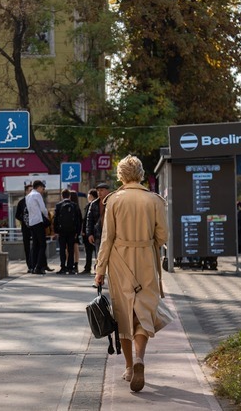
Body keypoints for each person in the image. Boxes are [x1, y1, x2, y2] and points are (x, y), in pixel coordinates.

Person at [94, 155, 171, 393]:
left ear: (121, 175)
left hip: (119, 262)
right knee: (144, 312)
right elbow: (163, 237)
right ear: (140, 173)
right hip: (146, 258)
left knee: (124, 313)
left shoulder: (113, 200)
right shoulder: (155, 200)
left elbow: (107, 239)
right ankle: (139, 357)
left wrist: (99, 271)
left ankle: (128, 367)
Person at [26, 180, 50, 274]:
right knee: (42, 244)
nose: (43, 190)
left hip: (32, 222)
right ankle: (39, 267)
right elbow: (43, 208)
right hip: (38, 222)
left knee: (35, 245)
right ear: (39, 187)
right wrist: (47, 216)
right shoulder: (37, 195)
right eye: (42, 188)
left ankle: (33, 266)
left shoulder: (28, 196)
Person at [53, 189, 80, 274]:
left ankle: (63, 267)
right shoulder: (74, 205)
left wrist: (56, 231)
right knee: (70, 249)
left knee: (62, 249)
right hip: (72, 231)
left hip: (61, 231)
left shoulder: (58, 205)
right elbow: (78, 220)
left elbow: (55, 219)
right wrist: (77, 232)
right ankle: (70, 268)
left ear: (62, 196)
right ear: (69, 196)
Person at [86, 182, 111, 254]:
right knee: (99, 255)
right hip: (97, 234)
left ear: (107, 191)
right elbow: (89, 219)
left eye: (101, 190)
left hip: (109, 233)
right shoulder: (94, 204)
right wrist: (89, 234)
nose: (99, 192)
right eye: (98, 191)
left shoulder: (111, 202)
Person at [15, 184, 33, 268]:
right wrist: (24, 219)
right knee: (27, 247)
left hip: (34, 227)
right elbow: (17, 215)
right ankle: (29, 265)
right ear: (26, 191)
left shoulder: (35, 201)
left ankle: (35, 263)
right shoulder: (22, 202)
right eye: (30, 190)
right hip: (25, 227)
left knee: (36, 245)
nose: (31, 192)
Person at [81, 189, 98, 274]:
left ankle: (88, 268)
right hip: (96, 232)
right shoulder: (99, 204)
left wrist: (85, 231)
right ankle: (96, 268)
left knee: (89, 251)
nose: (88, 197)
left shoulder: (90, 205)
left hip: (90, 232)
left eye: (88, 195)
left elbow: (86, 220)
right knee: (96, 252)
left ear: (91, 196)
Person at [68, 191, 84, 273]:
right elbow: (80, 220)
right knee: (75, 247)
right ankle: (76, 264)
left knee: (71, 248)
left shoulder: (73, 207)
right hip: (76, 230)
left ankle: (71, 264)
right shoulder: (77, 207)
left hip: (72, 231)